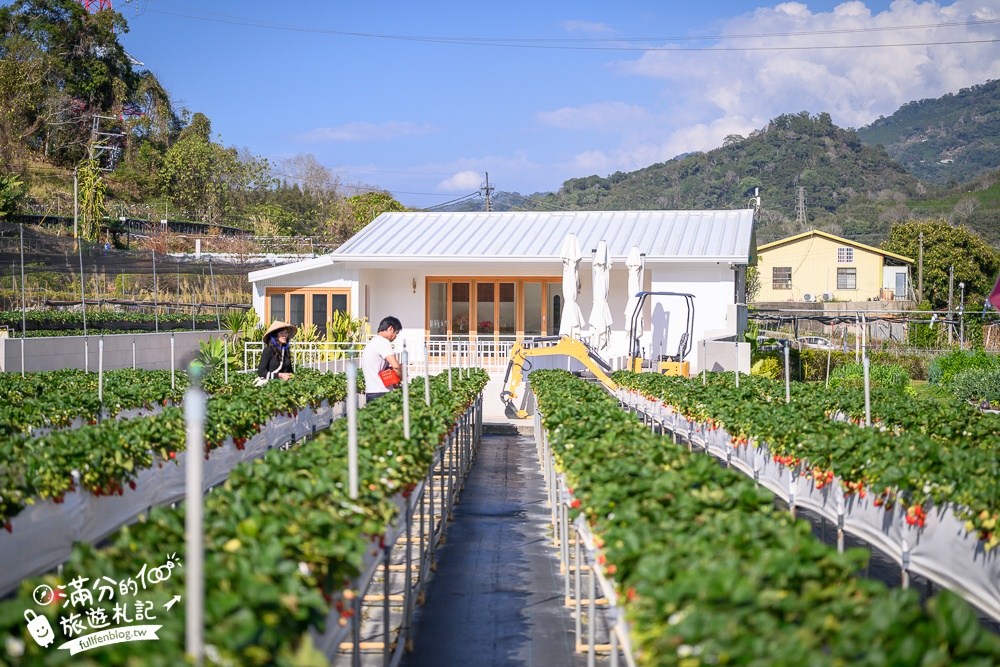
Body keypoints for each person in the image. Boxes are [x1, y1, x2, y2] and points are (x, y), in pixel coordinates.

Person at [361, 316, 402, 402]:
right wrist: (402, 377)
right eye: (396, 333)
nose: (395, 337)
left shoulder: (373, 342)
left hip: (371, 392)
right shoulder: (383, 342)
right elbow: (396, 366)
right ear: (390, 328)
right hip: (381, 393)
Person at [256, 320, 297, 385]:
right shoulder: (268, 350)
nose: (284, 336)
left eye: (286, 333)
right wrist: (279, 375)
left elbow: (289, 370)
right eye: (281, 333)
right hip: (270, 385)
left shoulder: (285, 350)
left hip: (283, 385)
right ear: (275, 335)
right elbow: (261, 372)